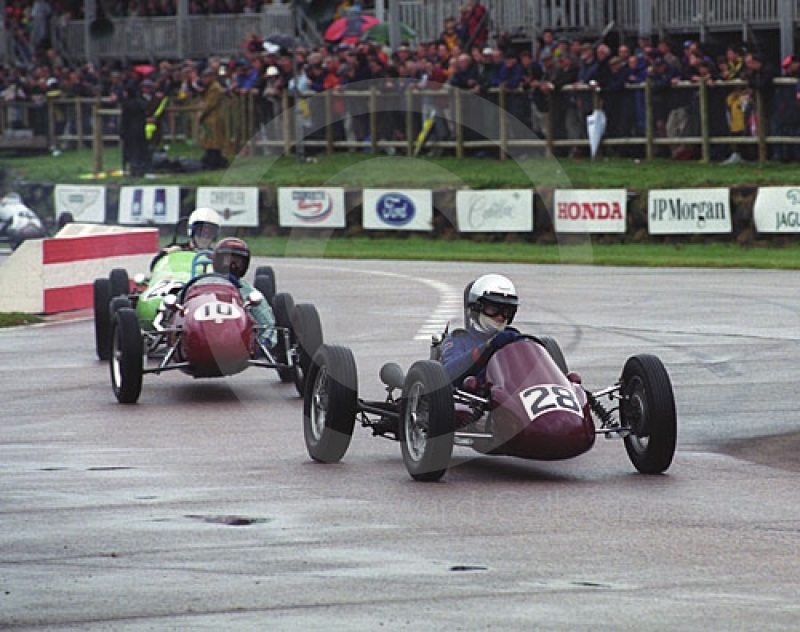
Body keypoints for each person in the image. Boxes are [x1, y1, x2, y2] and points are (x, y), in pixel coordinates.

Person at [441, 273, 520, 384]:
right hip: (477, 397)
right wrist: (488, 348)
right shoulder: (458, 340)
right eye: (493, 309)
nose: (500, 316)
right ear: (475, 308)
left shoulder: (513, 339)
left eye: (506, 311)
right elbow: (447, 373)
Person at [212, 237, 277, 349]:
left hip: (238, 341)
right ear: (218, 261)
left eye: (237, 262)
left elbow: (268, 324)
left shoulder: (249, 292)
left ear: (244, 266)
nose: (232, 266)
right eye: (227, 260)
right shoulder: (200, 285)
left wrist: (263, 345)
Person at [149, 207, 221, 269]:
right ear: (192, 231)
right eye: (200, 231)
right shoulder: (176, 249)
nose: (205, 237)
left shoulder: (216, 256)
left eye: (210, 233)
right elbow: (154, 266)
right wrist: (166, 254)